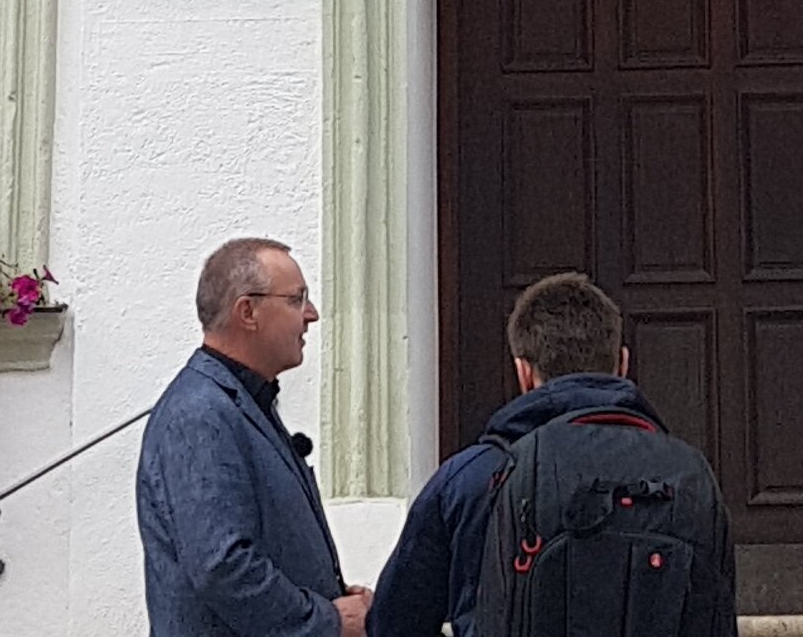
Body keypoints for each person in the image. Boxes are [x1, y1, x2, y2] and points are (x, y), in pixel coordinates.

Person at [367, 271, 733, 636]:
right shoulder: (688, 476)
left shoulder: (474, 476)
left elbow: (394, 622)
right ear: (622, 365)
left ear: (523, 373)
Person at [135, 237, 371, 636]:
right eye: (297, 300)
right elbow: (223, 566)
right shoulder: (200, 414)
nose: (311, 315)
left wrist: (329, 594)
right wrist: (326, 619)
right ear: (248, 311)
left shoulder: (243, 401)